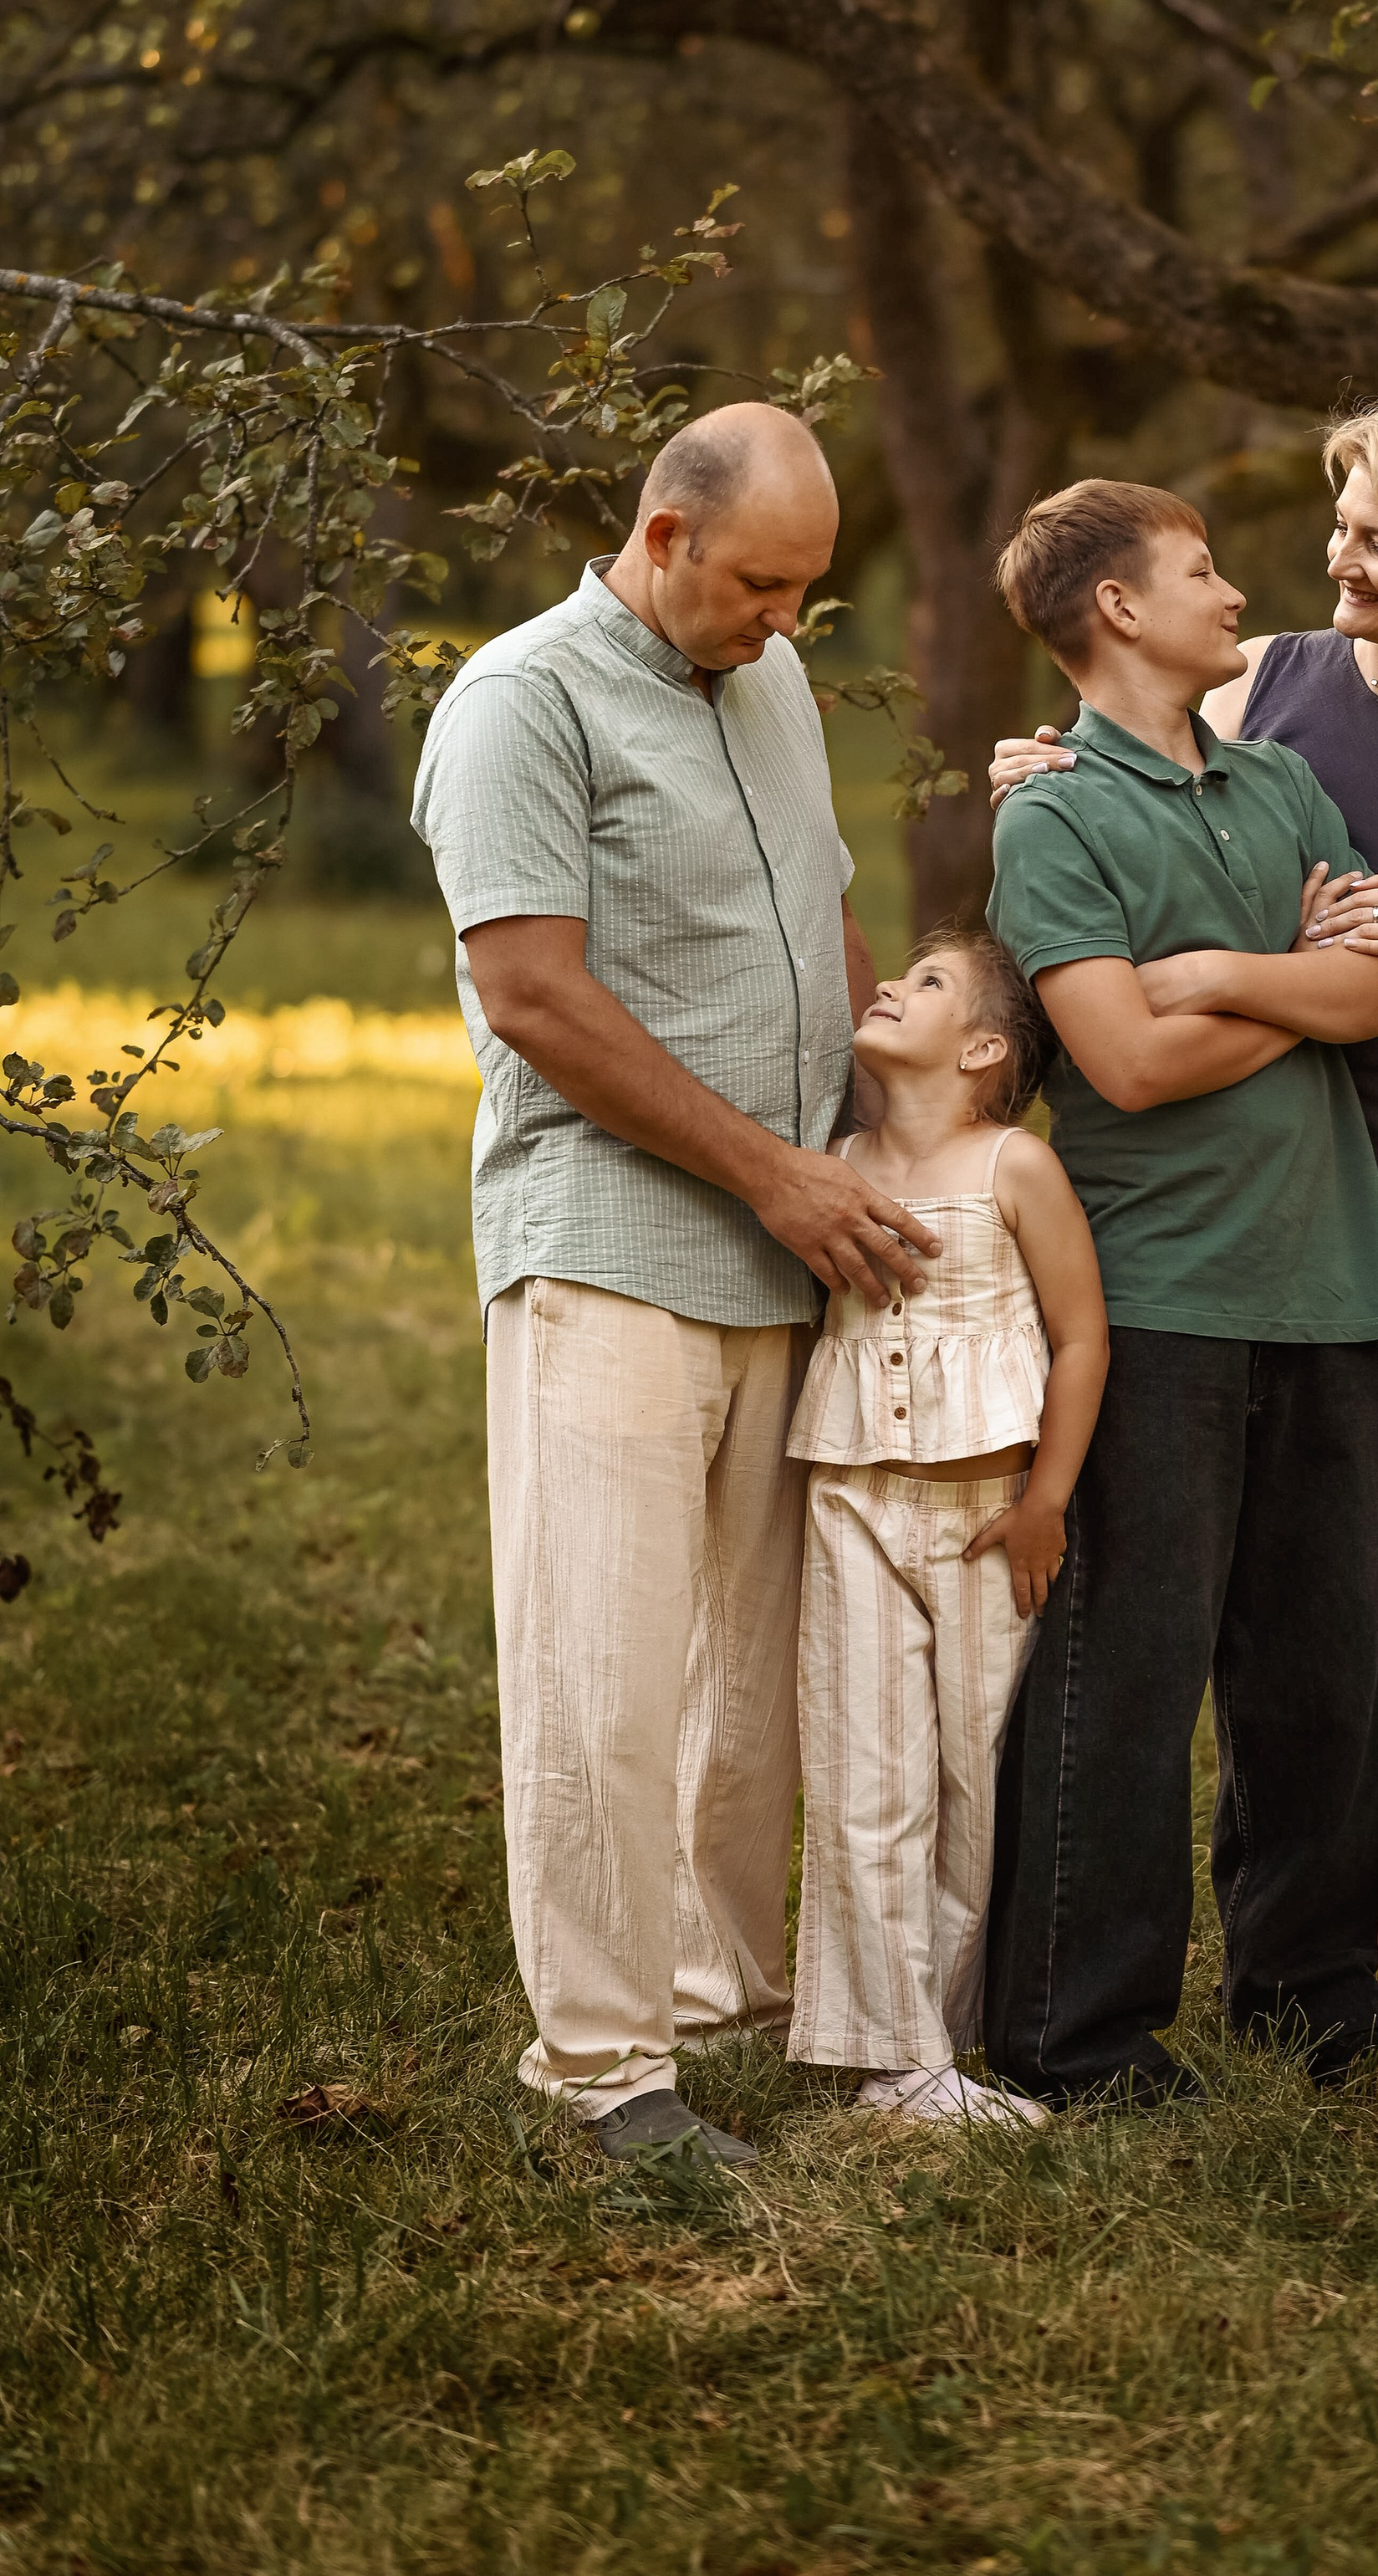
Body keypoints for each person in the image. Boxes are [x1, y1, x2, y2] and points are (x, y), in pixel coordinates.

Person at [991, 389, 1378, 2042]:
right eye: (1336, 528)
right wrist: (1043, 776)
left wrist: (1366, 957)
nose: (1326, 561)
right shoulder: (1260, 684)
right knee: (1241, 1602)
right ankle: (1242, 1964)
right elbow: (1127, 797)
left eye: (1373, 538)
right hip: (1222, 1186)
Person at [411, 404, 940, 2176]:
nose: (786, 621)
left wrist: (877, 1135)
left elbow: (826, 919)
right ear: (662, 537)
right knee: (606, 1669)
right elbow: (533, 995)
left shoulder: (771, 681)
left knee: (748, 1678)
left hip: (783, 1251)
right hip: (609, 1244)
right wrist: (773, 1169)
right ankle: (598, 2067)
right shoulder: (520, 701)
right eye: (761, 585)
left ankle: (715, 2000)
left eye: (807, 591)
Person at [982, 478, 1378, 2109]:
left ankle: (1308, 1999)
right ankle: (1073, 2033)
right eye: (1199, 570)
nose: (1235, 593)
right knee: (1127, 1673)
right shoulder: (1050, 816)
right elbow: (1123, 1060)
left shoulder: (1282, 778)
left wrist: (1235, 981)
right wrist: (1309, 992)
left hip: (1330, 1277)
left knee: (1318, 1673)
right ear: (1116, 606)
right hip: (1155, 1296)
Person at [786, 927, 1109, 2129]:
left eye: (929, 983)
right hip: (853, 1505)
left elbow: (1082, 1337)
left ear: (982, 1050)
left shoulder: (1016, 1168)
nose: (890, 984)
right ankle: (892, 2058)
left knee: (976, 1787)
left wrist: (1046, 1502)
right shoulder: (835, 1165)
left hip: (987, 1524)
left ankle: (945, 2037)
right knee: (865, 1779)